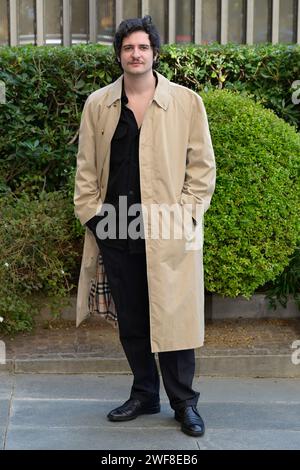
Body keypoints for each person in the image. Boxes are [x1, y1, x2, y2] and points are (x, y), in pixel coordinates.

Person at [74, 16, 216, 437]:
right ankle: (144, 392)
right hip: (116, 226)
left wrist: (188, 213)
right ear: (119, 54)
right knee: (133, 318)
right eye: (128, 48)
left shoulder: (185, 101)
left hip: (169, 228)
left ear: (155, 53)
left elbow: (202, 166)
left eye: (143, 47)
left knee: (174, 318)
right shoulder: (98, 104)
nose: (135, 54)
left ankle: (184, 403)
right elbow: (85, 168)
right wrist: (93, 216)